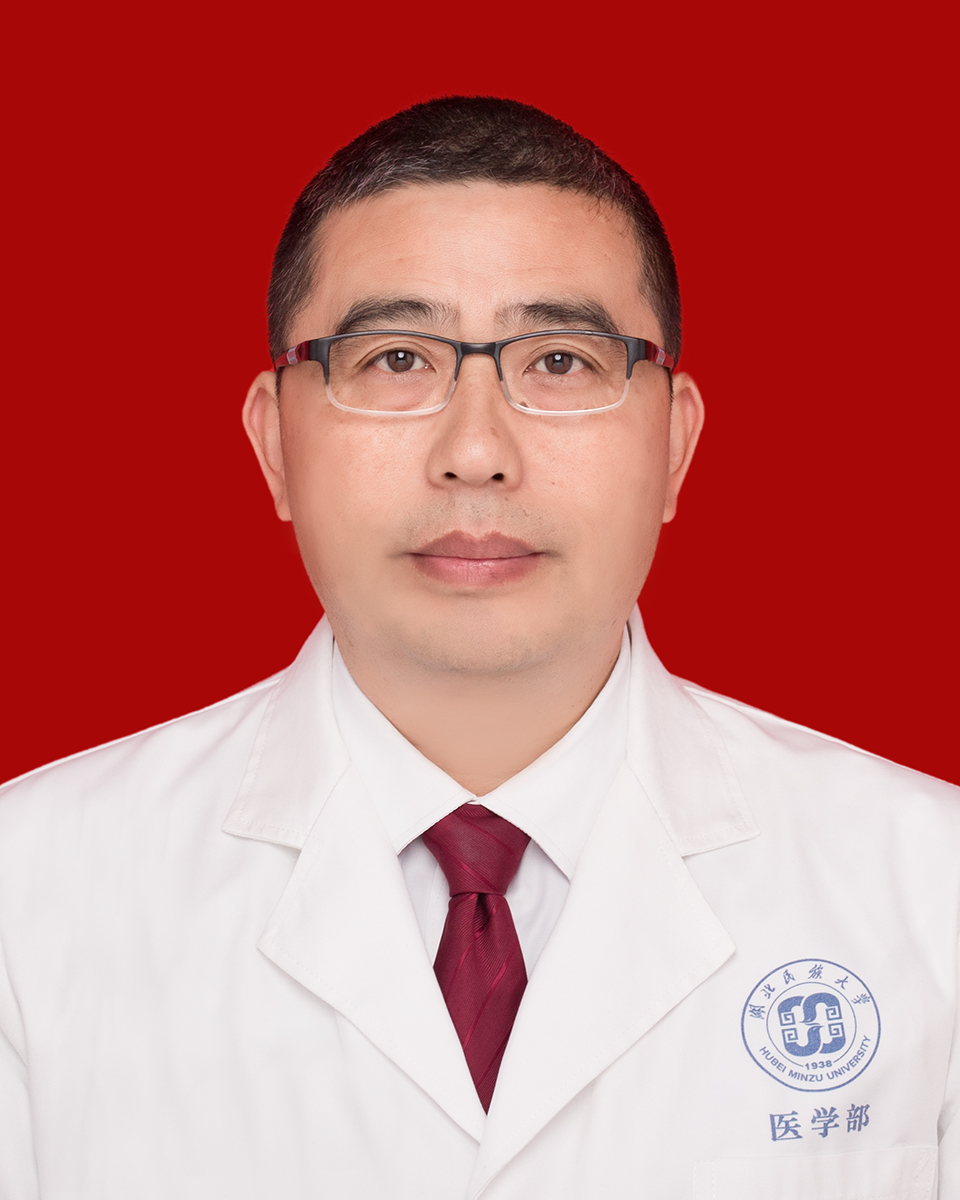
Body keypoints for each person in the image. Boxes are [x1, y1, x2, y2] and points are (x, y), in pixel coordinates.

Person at [0, 96, 957, 1200]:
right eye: (396, 357)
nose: (475, 451)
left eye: (561, 362)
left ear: (675, 445)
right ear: (273, 445)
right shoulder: (33, 893)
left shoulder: (928, 887)